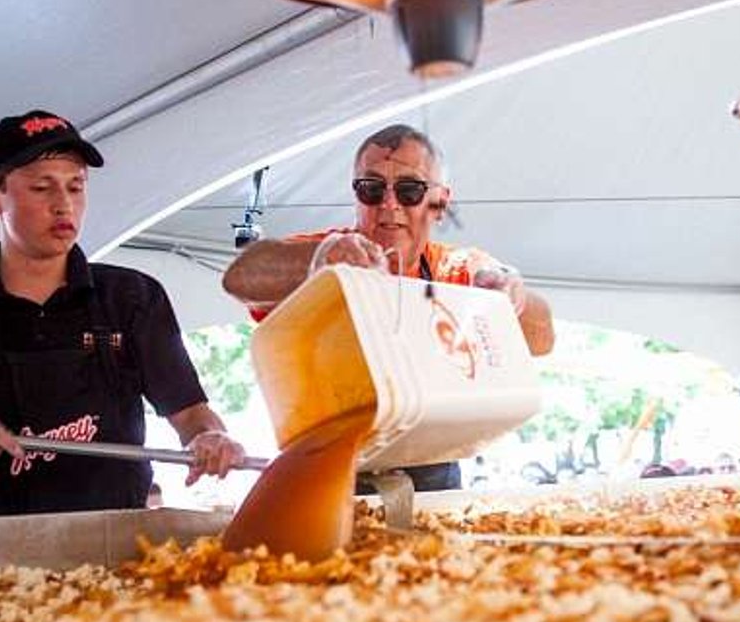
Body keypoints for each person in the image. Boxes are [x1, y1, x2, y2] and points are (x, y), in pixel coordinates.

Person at [0, 110, 245, 517]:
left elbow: (191, 414)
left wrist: (211, 439)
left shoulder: (132, 298)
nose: (63, 205)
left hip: (113, 546)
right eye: (41, 187)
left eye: (75, 186)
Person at [222, 124, 556, 491]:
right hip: (329, 469)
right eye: (372, 188)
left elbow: (542, 340)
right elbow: (240, 278)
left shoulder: (454, 270)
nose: (389, 204)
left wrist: (512, 292)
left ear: (440, 202)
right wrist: (318, 260)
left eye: (410, 190)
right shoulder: (325, 251)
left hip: (432, 469)